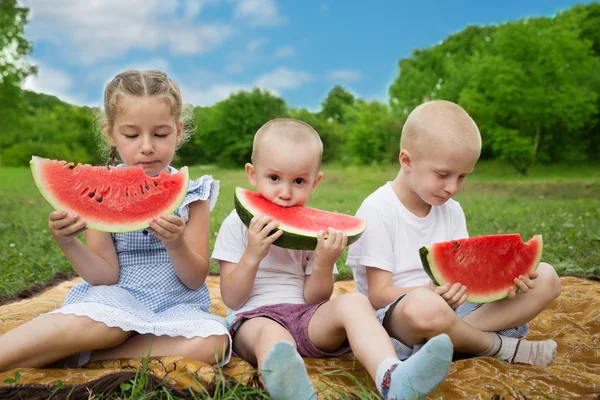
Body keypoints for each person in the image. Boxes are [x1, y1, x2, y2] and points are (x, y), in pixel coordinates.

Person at [0, 70, 230, 372]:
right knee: (107, 328)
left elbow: (196, 277)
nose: (146, 146)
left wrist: (176, 244)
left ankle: (85, 356)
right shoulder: (101, 193)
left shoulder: (194, 194)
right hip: (116, 299)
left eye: (160, 134)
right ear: (111, 133)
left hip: (177, 305)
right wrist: (67, 242)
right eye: (132, 135)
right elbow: (103, 275)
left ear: (178, 130)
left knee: (214, 343)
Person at [212, 118, 454, 400]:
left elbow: (316, 298)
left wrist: (325, 262)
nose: (286, 193)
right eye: (274, 178)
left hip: (305, 317)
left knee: (355, 301)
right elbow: (232, 297)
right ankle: (293, 390)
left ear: (316, 182)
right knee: (274, 338)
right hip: (253, 318)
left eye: (299, 181)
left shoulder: (315, 231)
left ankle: (392, 377)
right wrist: (253, 254)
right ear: (252, 174)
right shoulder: (237, 223)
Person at [346, 100, 562, 366]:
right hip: (401, 316)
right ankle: (494, 345)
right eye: (443, 174)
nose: (452, 188)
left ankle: (455, 339)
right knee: (424, 307)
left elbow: (467, 275)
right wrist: (427, 291)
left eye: (462, 177)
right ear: (406, 160)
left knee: (548, 278)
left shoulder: (452, 210)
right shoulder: (377, 209)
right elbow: (378, 294)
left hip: (458, 309)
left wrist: (506, 283)